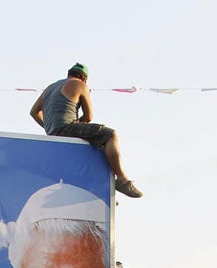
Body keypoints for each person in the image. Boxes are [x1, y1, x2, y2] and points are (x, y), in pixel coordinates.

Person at [30, 63, 143, 199]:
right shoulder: (81, 85)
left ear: (68, 74)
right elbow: (89, 117)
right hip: (67, 128)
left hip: (53, 131)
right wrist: (75, 123)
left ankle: (101, 191)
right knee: (109, 135)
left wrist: (49, 128)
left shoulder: (50, 87)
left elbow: (34, 112)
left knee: (97, 145)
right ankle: (122, 180)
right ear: (84, 79)